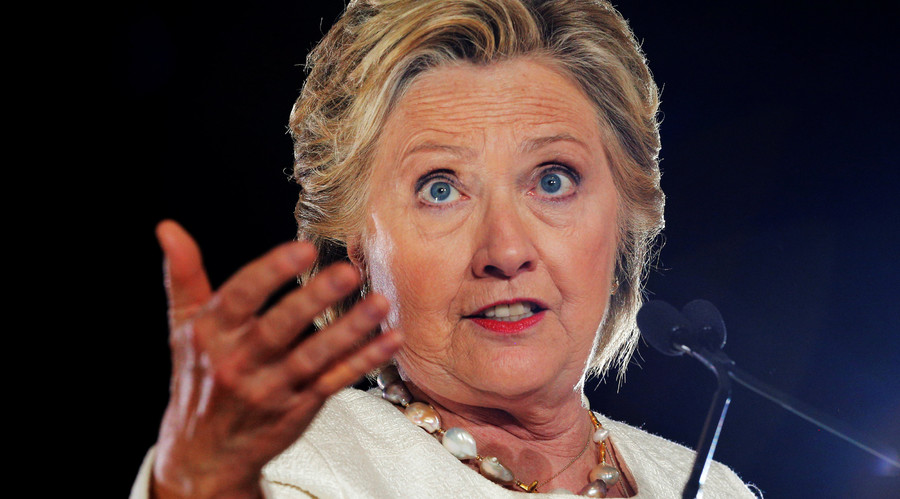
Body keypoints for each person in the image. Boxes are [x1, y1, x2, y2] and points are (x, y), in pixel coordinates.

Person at [132, 0, 756, 497]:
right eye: (439, 189)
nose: (505, 251)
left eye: (552, 180)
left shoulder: (709, 484)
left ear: (625, 221)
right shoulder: (292, 466)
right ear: (355, 252)